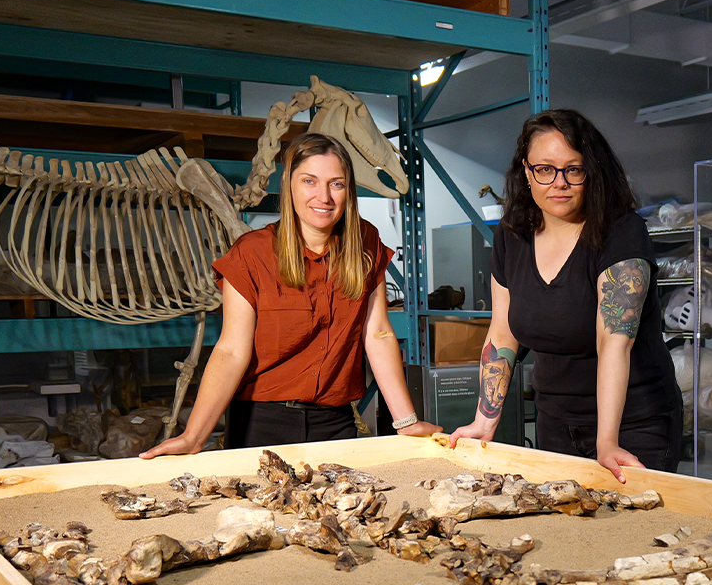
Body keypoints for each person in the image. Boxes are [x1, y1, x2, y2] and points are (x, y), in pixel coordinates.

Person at [143, 133, 438, 457]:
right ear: (289, 183)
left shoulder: (364, 242)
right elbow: (230, 350)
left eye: (336, 184)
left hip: (336, 423)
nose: (323, 196)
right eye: (310, 181)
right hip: (261, 424)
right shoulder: (252, 254)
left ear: (348, 189)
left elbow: (378, 333)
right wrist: (194, 436)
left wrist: (406, 422)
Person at [449, 109, 681, 480]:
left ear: (592, 171)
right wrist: (484, 421)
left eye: (573, 169)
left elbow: (614, 342)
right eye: (545, 169)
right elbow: (503, 333)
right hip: (555, 421)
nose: (559, 183)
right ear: (526, 171)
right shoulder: (512, 236)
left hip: (634, 425)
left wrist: (607, 441)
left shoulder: (620, 232)